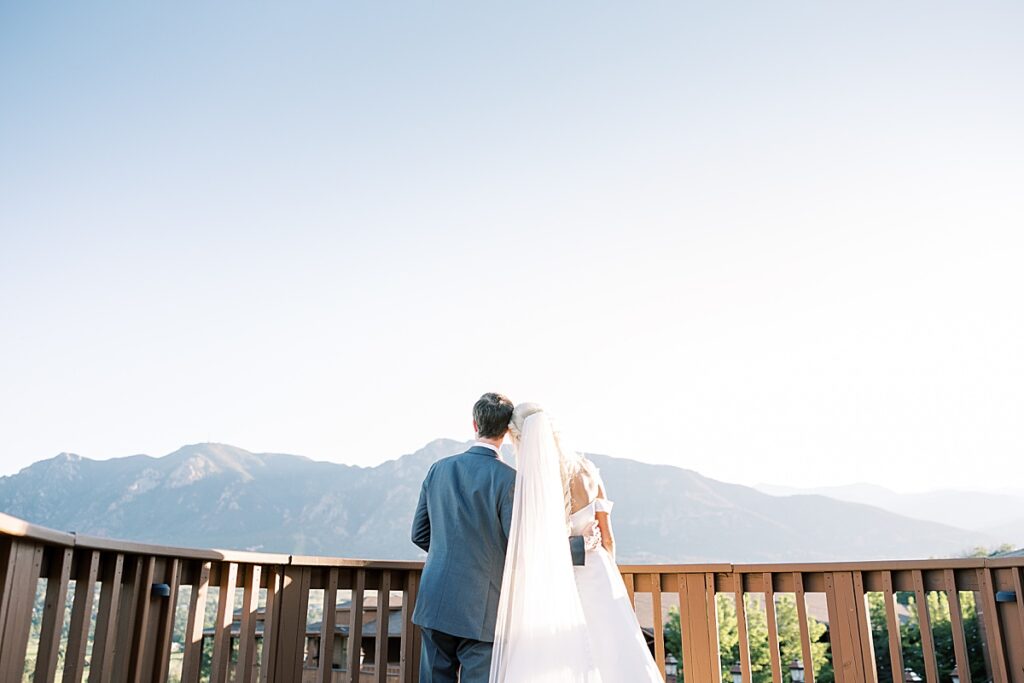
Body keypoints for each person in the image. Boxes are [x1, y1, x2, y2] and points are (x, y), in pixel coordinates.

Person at [490, 402, 663, 683]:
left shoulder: (533, 483)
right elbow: (608, 537)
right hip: (598, 573)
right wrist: (609, 571)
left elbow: (532, 543)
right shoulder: (589, 470)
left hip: (556, 580)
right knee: (612, 650)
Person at [411, 393, 517, 683]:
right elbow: (519, 545)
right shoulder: (510, 479)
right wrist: (582, 547)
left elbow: (419, 533)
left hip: (435, 600)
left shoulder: (439, 469)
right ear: (507, 431)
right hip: (481, 610)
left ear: (474, 423)